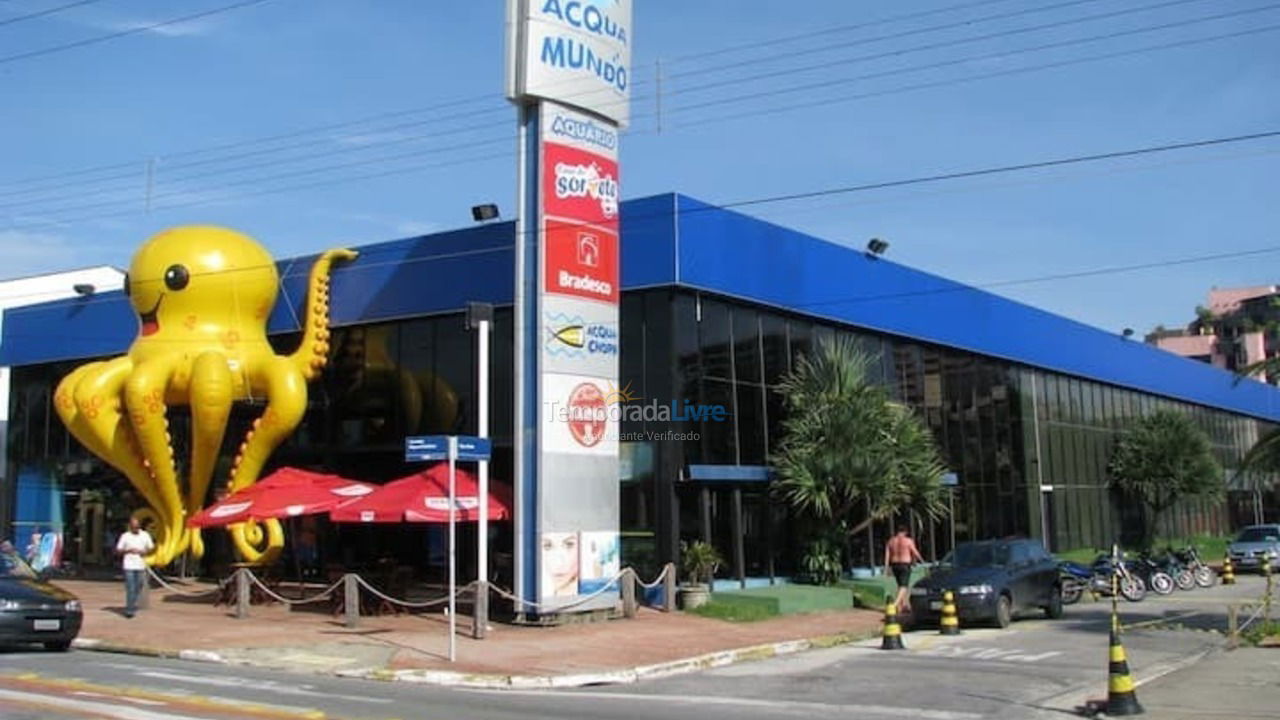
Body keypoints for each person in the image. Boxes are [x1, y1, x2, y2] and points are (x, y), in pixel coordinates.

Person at [115, 517, 154, 618]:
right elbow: (118, 550)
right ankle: (130, 610)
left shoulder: (145, 535)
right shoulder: (125, 536)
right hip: (129, 565)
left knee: (139, 586)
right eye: (133, 526)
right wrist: (128, 551)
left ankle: (132, 603)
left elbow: (151, 548)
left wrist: (143, 552)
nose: (135, 528)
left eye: (137, 526)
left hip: (140, 565)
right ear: (130, 526)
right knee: (130, 587)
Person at [884, 524, 924, 613]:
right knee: (904, 586)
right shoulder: (908, 541)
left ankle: (901, 607)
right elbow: (914, 551)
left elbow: (887, 555)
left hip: (894, 564)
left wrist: (886, 567)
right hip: (905, 564)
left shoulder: (891, 541)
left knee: (899, 585)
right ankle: (894, 605)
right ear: (905, 532)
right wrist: (920, 560)